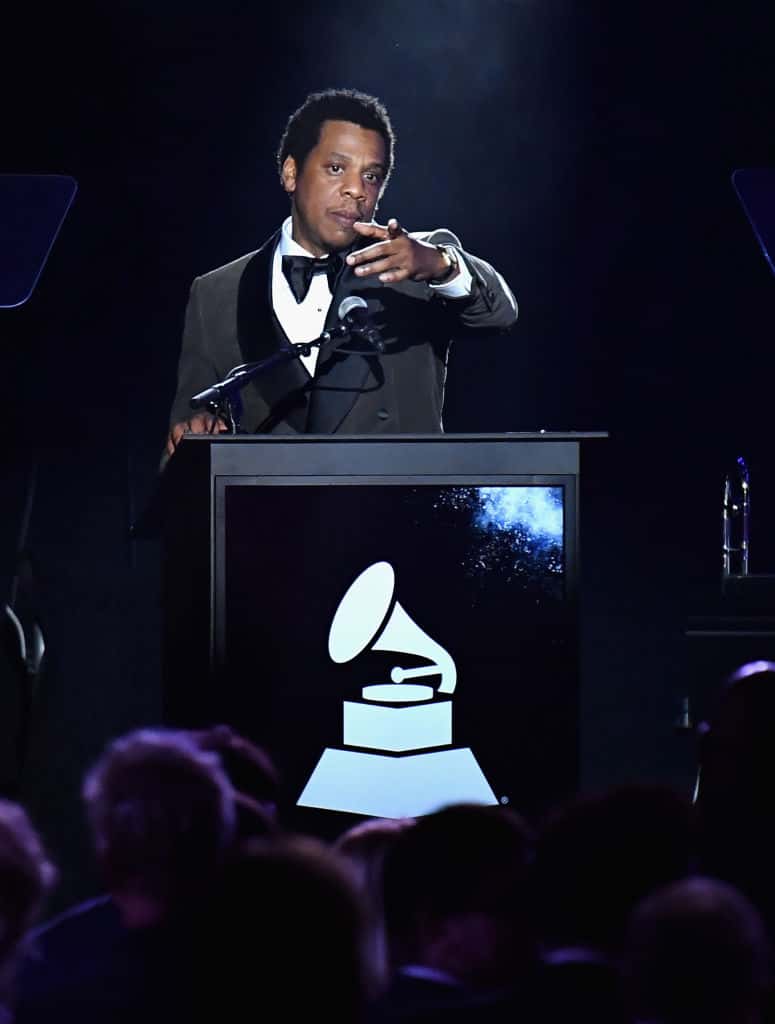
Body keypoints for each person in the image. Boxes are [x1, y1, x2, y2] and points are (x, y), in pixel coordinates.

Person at [165, 88, 517, 458]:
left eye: (371, 176)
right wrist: (196, 431)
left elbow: (500, 314)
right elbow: (183, 436)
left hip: (395, 493)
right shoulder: (215, 294)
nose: (356, 190)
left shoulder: (416, 265)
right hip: (270, 496)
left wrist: (440, 265)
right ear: (291, 173)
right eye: (336, 169)